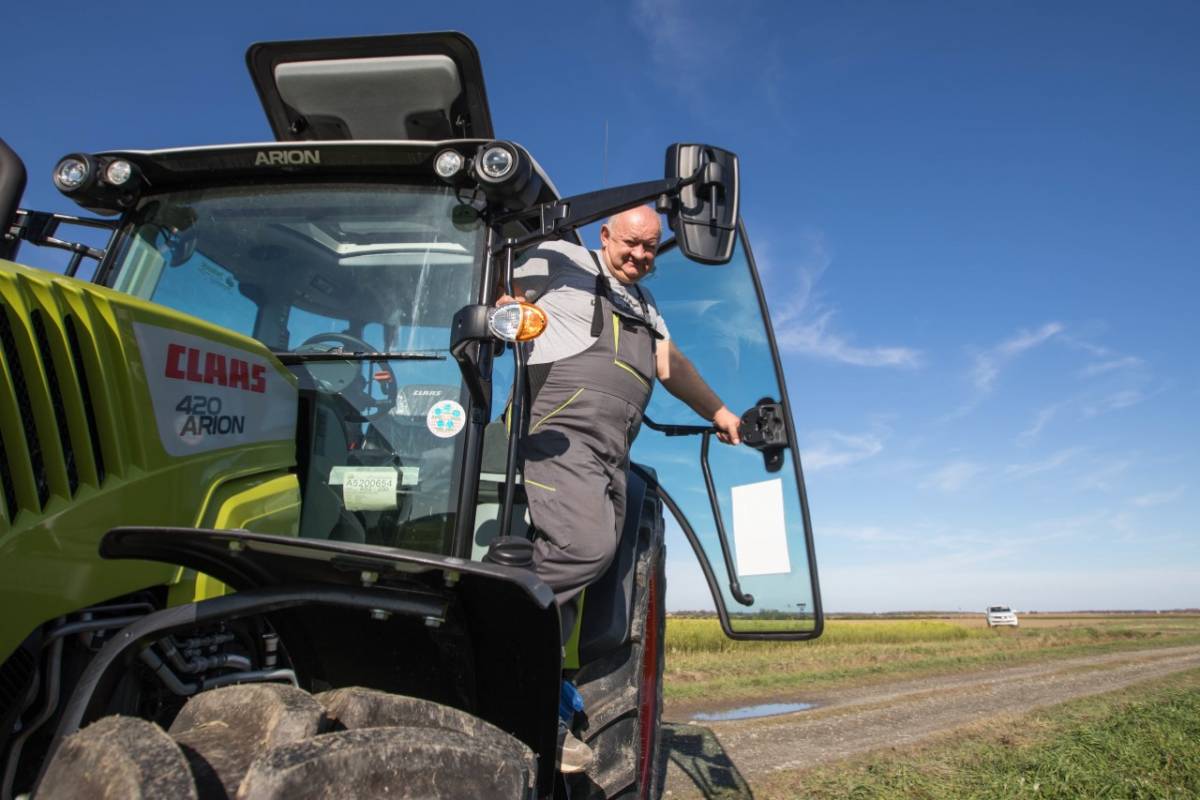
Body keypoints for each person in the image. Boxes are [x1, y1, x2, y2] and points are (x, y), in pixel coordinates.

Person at [499, 206, 741, 771]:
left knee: (598, 572)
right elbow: (497, 282)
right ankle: (498, 659)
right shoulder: (560, 258)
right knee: (583, 548)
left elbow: (670, 365)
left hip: (612, 449)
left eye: (650, 247)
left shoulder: (646, 305)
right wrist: (504, 306)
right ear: (604, 235)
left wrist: (720, 411)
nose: (640, 255)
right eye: (631, 242)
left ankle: (549, 694)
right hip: (557, 435)